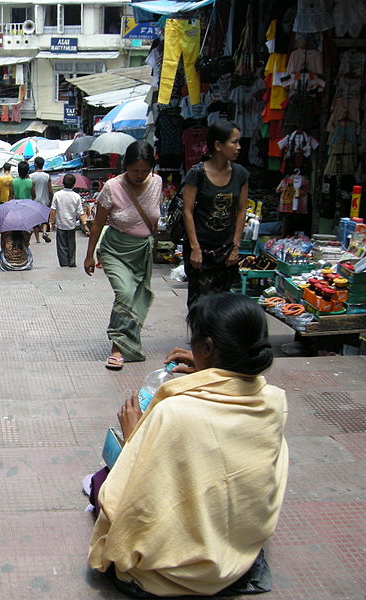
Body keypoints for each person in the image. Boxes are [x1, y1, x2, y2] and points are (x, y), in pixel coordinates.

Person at [87, 292, 288, 598]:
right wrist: (212, 369)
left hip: (172, 574)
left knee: (103, 483)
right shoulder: (273, 400)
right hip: (237, 554)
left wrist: (133, 439)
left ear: (207, 347)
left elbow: (137, 497)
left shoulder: (176, 413)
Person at [84, 141, 162, 370]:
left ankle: (130, 343)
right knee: (125, 293)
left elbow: (155, 215)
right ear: (126, 166)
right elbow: (97, 224)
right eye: (134, 170)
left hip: (142, 251)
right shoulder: (111, 187)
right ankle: (117, 346)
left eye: (144, 170)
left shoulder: (157, 183)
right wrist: (89, 255)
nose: (139, 175)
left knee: (138, 299)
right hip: (115, 250)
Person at [182, 120, 249, 308]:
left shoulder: (241, 174)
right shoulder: (197, 173)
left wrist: (236, 246)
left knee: (222, 301)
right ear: (218, 145)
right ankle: (201, 336)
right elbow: (187, 211)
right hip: (201, 248)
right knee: (199, 300)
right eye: (234, 142)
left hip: (226, 249)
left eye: (239, 142)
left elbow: (241, 210)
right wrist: (195, 248)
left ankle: (218, 335)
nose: (238, 147)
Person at [49, 174, 88, 267]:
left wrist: (52, 222)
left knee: (61, 246)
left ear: (63, 183)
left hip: (61, 224)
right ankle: (71, 262)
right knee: (71, 245)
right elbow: (80, 212)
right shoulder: (76, 196)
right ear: (74, 184)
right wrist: (85, 225)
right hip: (71, 224)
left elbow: (53, 210)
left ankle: (64, 263)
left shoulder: (57, 195)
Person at [30, 156, 53, 243]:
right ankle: (43, 232)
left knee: (35, 221)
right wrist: (51, 200)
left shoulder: (31, 176)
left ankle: (37, 239)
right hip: (45, 200)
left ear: (35, 164)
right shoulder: (47, 176)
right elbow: (50, 190)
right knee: (44, 219)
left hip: (34, 201)